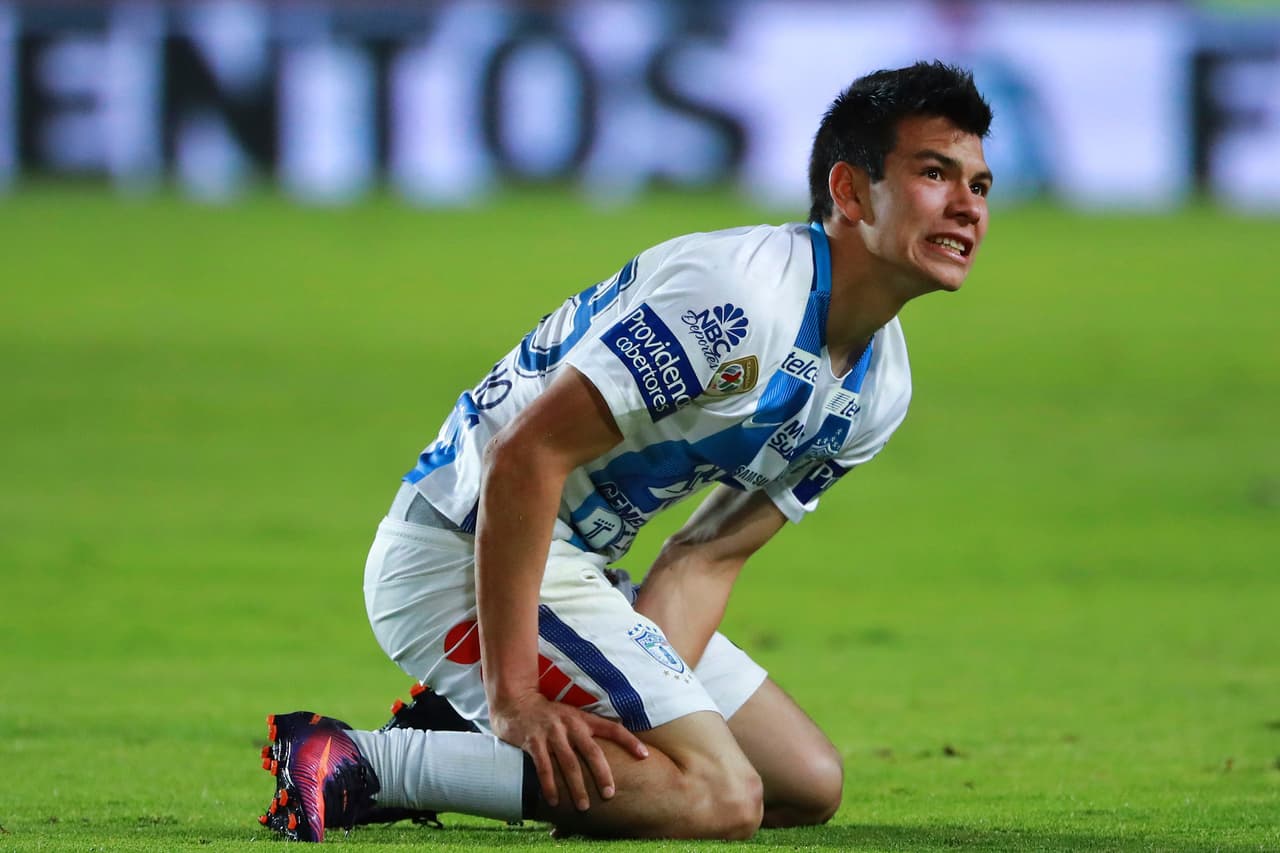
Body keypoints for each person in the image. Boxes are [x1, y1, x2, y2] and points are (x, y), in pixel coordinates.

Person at [257, 60, 993, 842]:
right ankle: (362, 759)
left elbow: (706, 557)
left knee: (806, 782)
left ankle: (458, 739)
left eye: (980, 185)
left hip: (573, 572)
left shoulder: (880, 389)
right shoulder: (741, 299)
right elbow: (522, 455)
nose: (968, 206)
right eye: (934, 173)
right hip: (458, 550)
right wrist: (516, 699)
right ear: (850, 191)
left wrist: (646, 711)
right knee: (721, 795)